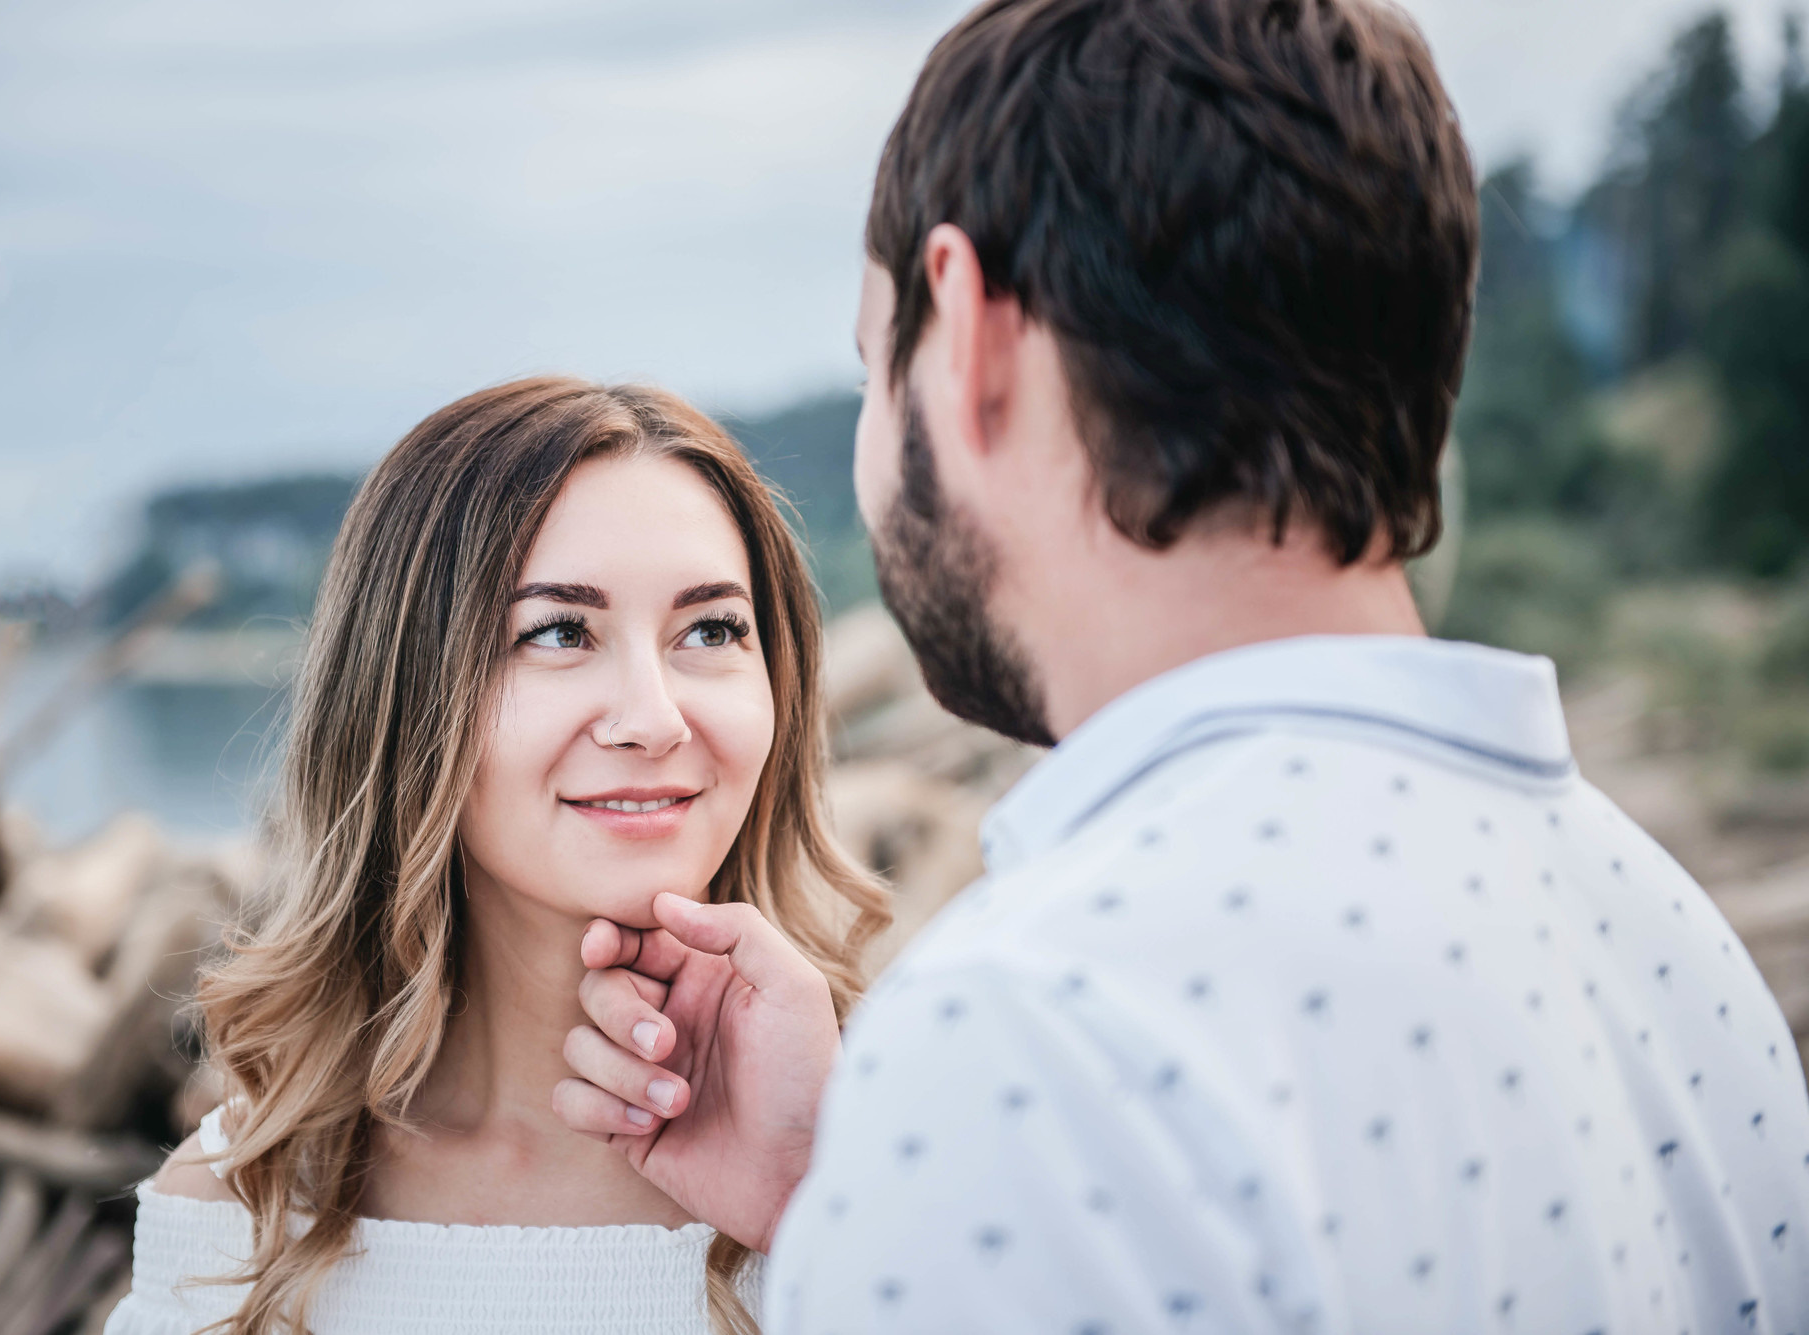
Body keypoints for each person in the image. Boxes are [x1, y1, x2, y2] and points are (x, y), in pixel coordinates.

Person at [552, 0, 1809, 1329]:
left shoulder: (1032, 1037)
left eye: (877, 371)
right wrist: (834, 1207)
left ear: (972, 337)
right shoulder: (1678, 951)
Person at [104, 377, 887, 1335]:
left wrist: (816, 1206)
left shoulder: (884, 1165)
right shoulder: (241, 1221)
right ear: (404, 700)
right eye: (559, 631)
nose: (653, 717)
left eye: (711, 629)